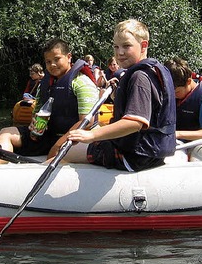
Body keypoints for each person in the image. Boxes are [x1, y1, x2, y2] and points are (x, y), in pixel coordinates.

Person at [61, 19, 177, 171]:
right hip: (150, 154)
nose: (119, 52)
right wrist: (118, 93)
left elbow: (134, 123)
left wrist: (91, 136)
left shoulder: (139, 77)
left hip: (133, 156)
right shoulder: (150, 71)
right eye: (116, 46)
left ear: (143, 46)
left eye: (126, 46)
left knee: (63, 150)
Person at [0, 38, 99, 164]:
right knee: (6, 132)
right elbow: (36, 114)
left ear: (69, 57)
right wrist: (34, 127)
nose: (52, 65)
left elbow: (86, 122)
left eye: (57, 59)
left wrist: (58, 145)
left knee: (55, 157)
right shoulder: (44, 84)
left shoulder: (82, 82)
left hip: (78, 140)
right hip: (49, 136)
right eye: (48, 61)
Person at [164, 57, 202, 141]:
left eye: (177, 92)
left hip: (193, 143)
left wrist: (177, 134)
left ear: (188, 81)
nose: (173, 96)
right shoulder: (171, 90)